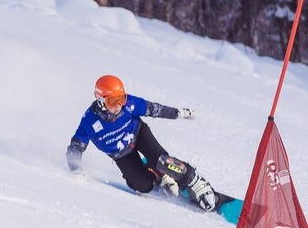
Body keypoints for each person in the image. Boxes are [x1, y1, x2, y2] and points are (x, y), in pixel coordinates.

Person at [66, 74, 220, 212]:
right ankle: (159, 177)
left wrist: (178, 113)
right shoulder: (90, 121)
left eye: (121, 99)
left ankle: (195, 181)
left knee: (163, 161)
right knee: (141, 186)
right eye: (113, 101)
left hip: (139, 134)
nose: (119, 105)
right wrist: (76, 168)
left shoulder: (129, 105)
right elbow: (76, 147)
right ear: (100, 100)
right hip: (121, 154)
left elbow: (154, 109)